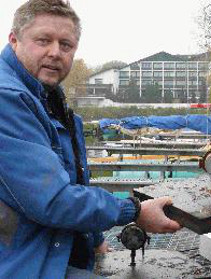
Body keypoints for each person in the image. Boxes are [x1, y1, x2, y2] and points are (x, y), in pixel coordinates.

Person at [0, 1, 181, 278]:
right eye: (43, 40)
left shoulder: (48, 98)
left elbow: (71, 179)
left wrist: (94, 239)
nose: (55, 53)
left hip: (45, 249)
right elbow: (53, 200)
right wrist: (132, 211)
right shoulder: (9, 98)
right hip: (21, 262)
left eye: (66, 45)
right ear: (14, 40)